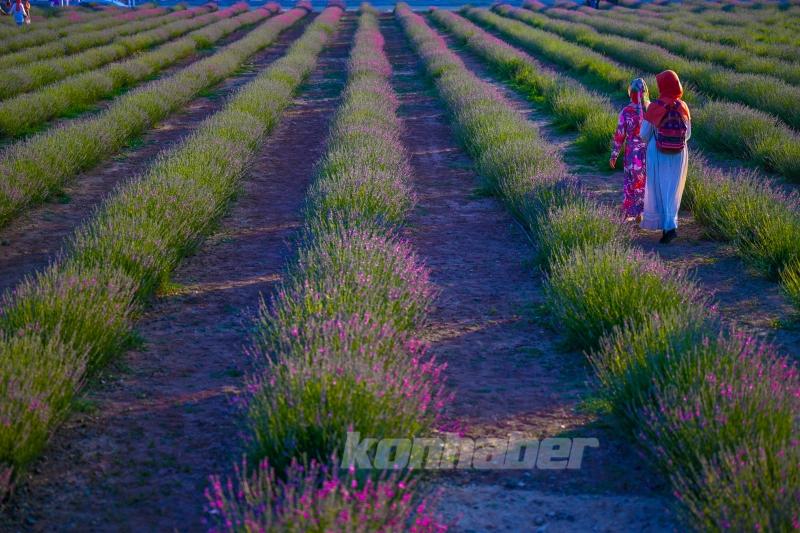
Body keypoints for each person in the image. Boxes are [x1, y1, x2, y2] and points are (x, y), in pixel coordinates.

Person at [639, 70, 691, 244]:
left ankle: (666, 227)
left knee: (659, 189)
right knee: (672, 190)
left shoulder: (655, 106)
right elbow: (688, 134)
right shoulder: (683, 106)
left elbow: (644, 135)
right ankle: (671, 226)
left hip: (658, 153)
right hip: (679, 154)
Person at [610, 78, 649, 223]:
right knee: (646, 182)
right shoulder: (650, 110)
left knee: (632, 181)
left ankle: (635, 212)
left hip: (633, 153)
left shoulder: (626, 112)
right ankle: (644, 213)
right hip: (648, 152)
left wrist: (614, 155)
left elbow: (620, 135)